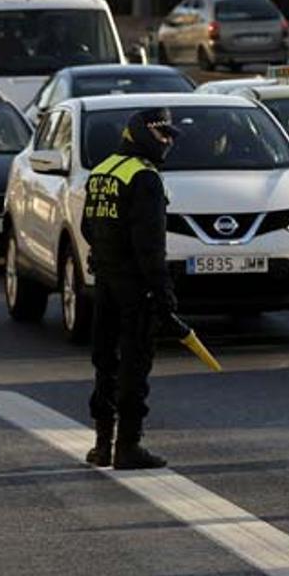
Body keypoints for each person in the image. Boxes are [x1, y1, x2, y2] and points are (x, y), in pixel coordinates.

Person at [80, 107, 180, 470]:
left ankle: (101, 444)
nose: (168, 142)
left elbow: (88, 228)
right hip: (134, 285)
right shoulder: (145, 178)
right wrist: (164, 292)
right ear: (142, 134)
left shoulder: (103, 170)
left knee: (105, 361)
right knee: (134, 364)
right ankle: (128, 446)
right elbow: (150, 247)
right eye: (162, 135)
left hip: (104, 280)